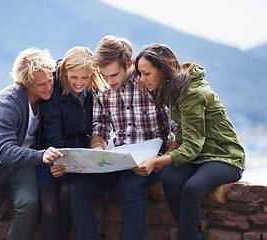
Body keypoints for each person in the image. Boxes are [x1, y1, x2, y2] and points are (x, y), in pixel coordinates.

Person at [69, 36, 177, 240]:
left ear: (129, 64)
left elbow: (176, 129)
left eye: (114, 74)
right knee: (78, 188)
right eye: (104, 75)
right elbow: (99, 129)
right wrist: (98, 148)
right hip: (120, 160)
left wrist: (159, 161)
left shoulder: (150, 82)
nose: (110, 81)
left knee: (130, 184)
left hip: (154, 160)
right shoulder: (103, 91)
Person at [134, 43, 245, 240]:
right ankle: (194, 235)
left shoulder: (191, 92)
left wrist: (157, 162)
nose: (142, 79)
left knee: (192, 187)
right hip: (200, 156)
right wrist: (166, 156)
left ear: (162, 69)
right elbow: (183, 132)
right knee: (170, 180)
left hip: (224, 156)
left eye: (146, 74)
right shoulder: (172, 88)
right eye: (140, 74)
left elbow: (193, 146)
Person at [0, 47, 64, 240]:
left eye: (50, 79)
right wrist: (41, 156)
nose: (49, 86)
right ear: (26, 83)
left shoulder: (47, 98)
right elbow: (6, 152)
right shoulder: (6, 103)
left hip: (21, 166)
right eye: (41, 84)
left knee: (30, 203)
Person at [36, 46, 107, 240]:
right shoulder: (54, 93)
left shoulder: (96, 90)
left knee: (68, 191)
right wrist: (58, 163)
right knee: (49, 209)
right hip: (52, 154)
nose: (79, 82)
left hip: (81, 156)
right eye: (74, 77)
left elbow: (100, 124)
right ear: (65, 71)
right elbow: (52, 134)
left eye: (85, 77)